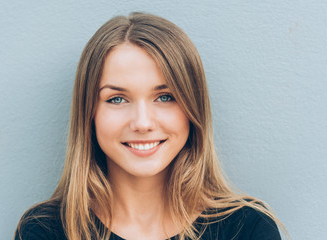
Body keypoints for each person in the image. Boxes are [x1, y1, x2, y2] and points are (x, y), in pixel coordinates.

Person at [15, 12, 284, 240]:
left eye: (165, 97)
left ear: (193, 108)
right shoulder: (44, 231)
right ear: (89, 113)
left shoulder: (248, 229)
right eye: (117, 99)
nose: (142, 123)